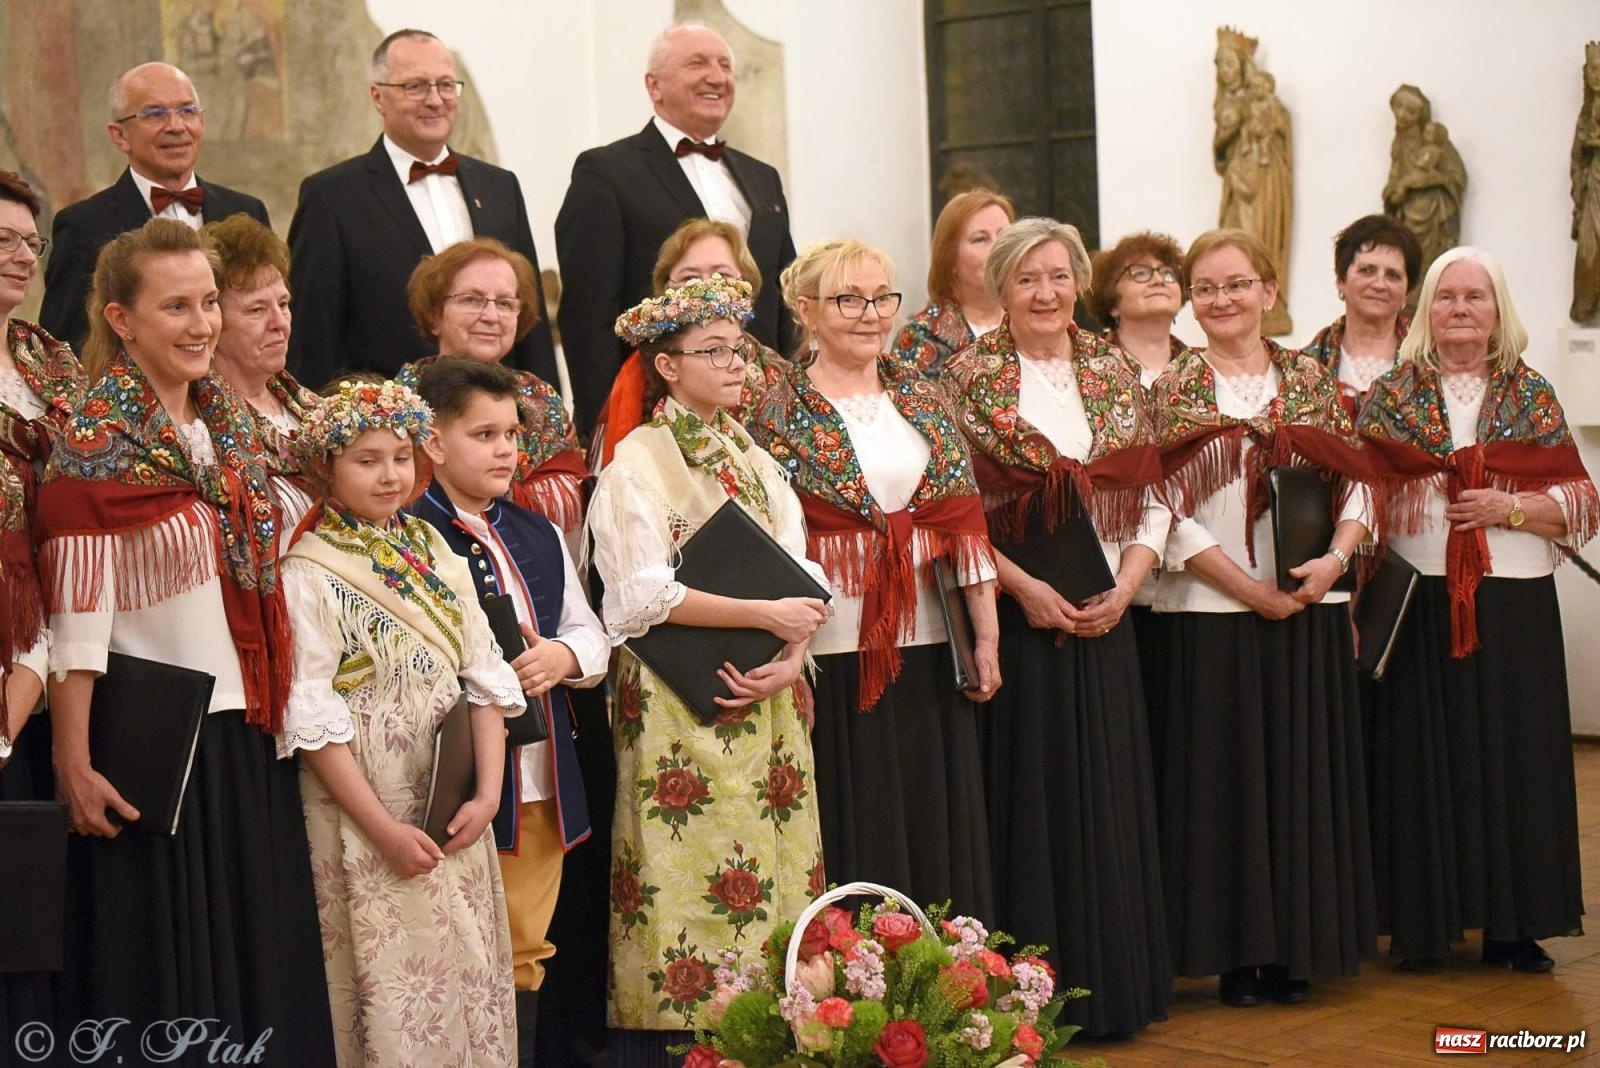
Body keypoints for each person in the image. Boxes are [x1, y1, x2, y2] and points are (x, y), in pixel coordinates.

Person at [36, 218, 333, 1057]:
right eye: (177, 307)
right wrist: (73, 760)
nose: (203, 324)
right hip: (158, 747)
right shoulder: (91, 447)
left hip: (250, 734)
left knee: (256, 964)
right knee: (171, 976)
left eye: (209, 302)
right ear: (121, 320)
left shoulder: (231, 434)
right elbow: (76, 624)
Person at [939, 218, 1171, 1036]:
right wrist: (1026, 590)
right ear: (999, 287)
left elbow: (1154, 497)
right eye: (1027, 279)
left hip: (1107, 613)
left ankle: (1118, 990)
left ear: (1079, 284)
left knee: (1110, 799)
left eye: (1059, 276)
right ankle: (1033, 999)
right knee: (1033, 806)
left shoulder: (1113, 372)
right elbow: (954, 514)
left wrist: (1129, 584)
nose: (1045, 293)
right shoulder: (964, 380)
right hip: (1019, 622)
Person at [589, 275, 827, 1065]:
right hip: (675, 696)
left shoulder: (754, 456)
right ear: (667, 366)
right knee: (684, 865)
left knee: (776, 862)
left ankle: (775, 1021)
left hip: (770, 696)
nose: (735, 366)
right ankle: (682, 1038)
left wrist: (792, 655)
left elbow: (801, 576)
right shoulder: (639, 461)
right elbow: (637, 596)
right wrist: (764, 618)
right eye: (713, 352)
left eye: (741, 351)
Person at [1150, 228, 1375, 1007]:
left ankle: (1300, 951)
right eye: (1205, 289)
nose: (1221, 301)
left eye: (1236, 284)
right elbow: (1162, 512)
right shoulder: (1174, 389)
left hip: (1308, 606)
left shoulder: (1312, 380)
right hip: (1212, 612)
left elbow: (1358, 487)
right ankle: (1237, 956)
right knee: (1226, 787)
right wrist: (1250, 590)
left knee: (1299, 780)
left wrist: (1333, 565)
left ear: (1269, 292)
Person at [1357, 248, 1597, 974]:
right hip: (1418, 601)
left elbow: (1579, 504)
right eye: (1447, 296)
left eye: (1476, 297)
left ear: (1499, 312)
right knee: (1419, 763)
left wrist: (1509, 507)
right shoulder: (1390, 395)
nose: (1461, 308)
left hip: (1514, 601)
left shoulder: (1534, 395)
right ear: (1424, 311)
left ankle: (1514, 926)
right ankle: (1421, 924)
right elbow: (1361, 499)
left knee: (1515, 762)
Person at [751, 239, 1001, 918]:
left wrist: (987, 638)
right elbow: (769, 543)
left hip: (927, 641)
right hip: (830, 651)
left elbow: (962, 519)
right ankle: (852, 992)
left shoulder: (924, 397)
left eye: (881, 298)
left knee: (930, 815)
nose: (870, 314)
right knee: (853, 816)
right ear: (805, 310)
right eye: (848, 299)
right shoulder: (776, 415)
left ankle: (941, 981)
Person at [279, 378, 524, 1064]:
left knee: (468, 974)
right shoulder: (308, 571)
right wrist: (383, 831)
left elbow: (484, 672)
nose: (390, 474)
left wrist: (489, 794)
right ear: (326, 467)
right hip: (368, 807)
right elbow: (311, 716)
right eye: (366, 460)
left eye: (399, 456)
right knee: (395, 982)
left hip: (452, 799)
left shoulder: (433, 546)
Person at [408, 356, 609, 1066]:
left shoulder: (538, 532)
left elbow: (592, 634)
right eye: (484, 434)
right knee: (445, 949)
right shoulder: (407, 534)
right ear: (431, 441)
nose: (504, 450)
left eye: (512, 435)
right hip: (449, 779)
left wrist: (562, 657)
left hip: (539, 778)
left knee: (526, 951)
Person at [556, 21, 797, 433]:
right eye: (697, 63)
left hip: (760, 409)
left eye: (724, 65)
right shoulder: (607, 172)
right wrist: (605, 423)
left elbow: (783, 296)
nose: (717, 76)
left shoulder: (763, 177)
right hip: (655, 408)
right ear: (654, 86)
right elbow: (587, 314)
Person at [288, 29, 557, 385]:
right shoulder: (331, 196)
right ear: (378, 96)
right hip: (385, 422)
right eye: (415, 87)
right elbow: (314, 333)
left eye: (446, 85)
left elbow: (528, 317)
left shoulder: (500, 186)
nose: (435, 100)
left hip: (496, 415)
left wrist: (546, 410)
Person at [0, 169, 84, 1051]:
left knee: (30, 898)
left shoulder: (49, 359)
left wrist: (36, 663)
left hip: (53, 628)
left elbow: (82, 495)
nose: (21, 257)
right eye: (2, 242)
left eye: (30, 243)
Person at [40, 62, 269, 354]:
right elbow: (64, 347)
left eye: (187, 111)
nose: (176, 126)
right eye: (155, 114)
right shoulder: (83, 225)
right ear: (119, 135)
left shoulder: (247, 211)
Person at [396, 238, 587, 535]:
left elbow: (574, 495)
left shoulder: (541, 398)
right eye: (471, 300)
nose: (491, 316)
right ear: (434, 315)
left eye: (505, 303)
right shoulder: (401, 403)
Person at [1088, 229, 1191, 761]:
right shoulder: (1093, 372)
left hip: (1199, 584)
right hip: (1119, 582)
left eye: (1169, 272)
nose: (1159, 281)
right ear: (1110, 296)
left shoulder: (1202, 368)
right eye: (1141, 272)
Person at [590, 217, 790, 470]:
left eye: (722, 275)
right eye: (689, 278)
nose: (705, 288)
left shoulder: (779, 376)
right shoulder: (636, 379)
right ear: (665, 291)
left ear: (746, 284)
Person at [204, 212, 319, 530]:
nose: (280, 324)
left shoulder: (310, 407)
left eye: (283, 304)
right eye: (256, 310)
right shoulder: (204, 426)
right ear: (211, 320)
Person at [1300, 214, 1420, 417]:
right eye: (1367, 270)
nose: (1379, 284)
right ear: (1340, 280)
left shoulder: (1428, 363)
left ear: (1407, 292)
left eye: (1393, 275)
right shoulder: (1305, 365)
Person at [891, 189, 1015, 375]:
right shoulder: (919, 337)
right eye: (980, 239)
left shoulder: (1031, 323)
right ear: (950, 259)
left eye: (1005, 236)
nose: (998, 249)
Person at [1382, 85, 1467, 301]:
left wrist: (1410, 184)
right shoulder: (1399, 141)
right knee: (1403, 256)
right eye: (1398, 107)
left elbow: (1454, 177)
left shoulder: (1434, 142)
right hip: (1407, 211)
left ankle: (1423, 299)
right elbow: (1396, 174)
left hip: (1430, 211)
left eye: (1410, 111)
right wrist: (1392, 190)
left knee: (1426, 261)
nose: (1402, 115)